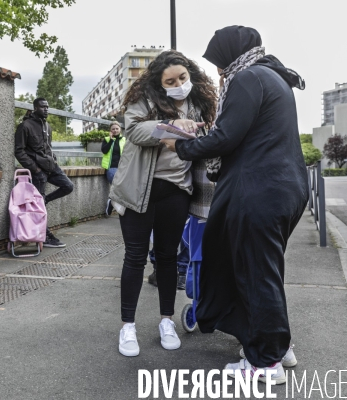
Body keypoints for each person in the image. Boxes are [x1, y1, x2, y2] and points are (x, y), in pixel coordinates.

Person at [161, 26, 308, 384]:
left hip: (258, 191)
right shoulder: (274, 77)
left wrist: (180, 146)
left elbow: (226, 137)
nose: (217, 72)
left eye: (217, 64)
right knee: (266, 271)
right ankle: (276, 346)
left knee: (255, 274)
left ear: (229, 55)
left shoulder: (247, 78)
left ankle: (264, 363)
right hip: (283, 190)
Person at [109, 50, 218, 357]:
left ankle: (166, 321)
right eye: (170, 81)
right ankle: (127, 326)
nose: (178, 84)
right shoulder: (144, 98)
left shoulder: (199, 102)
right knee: (134, 256)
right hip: (137, 190)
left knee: (169, 258)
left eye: (183, 78)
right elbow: (134, 130)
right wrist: (172, 124)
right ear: (159, 81)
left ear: (190, 75)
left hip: (176, 190)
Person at [14, 97, 74, 248]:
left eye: (47, 107)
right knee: (38, 208)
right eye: (42, 107)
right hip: (38, 171)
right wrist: (35, 169)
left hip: (51, 166)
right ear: (35, 108)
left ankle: (45, 199)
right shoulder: (25, 126)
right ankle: (45, 236)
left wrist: (53, 158)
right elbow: (19, 151)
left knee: (68, 186)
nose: (46, 109)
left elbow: (48, 146)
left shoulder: (47, 125)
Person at [102, 121, 125, 215]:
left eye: (117, 129)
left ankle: (111, 202)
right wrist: (111, 140)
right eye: (113, 129)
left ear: (120, 130)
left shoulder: (124, 140)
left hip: (123, 168)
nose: (115, 130)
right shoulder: (107, 139)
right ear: (110, 131)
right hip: (111, 168)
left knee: (122, 187)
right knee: (117, 186)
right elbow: (104, 151)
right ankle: (113, 203)